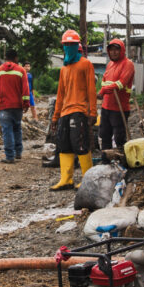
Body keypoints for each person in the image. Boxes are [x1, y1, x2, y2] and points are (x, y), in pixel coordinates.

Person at [49, 29, 98, 191]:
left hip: (80, 111)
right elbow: (60, 94)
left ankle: (87, 178)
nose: (68, 47)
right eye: (66, 44)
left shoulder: (86, 64)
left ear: (77, 45)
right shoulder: (64, 69)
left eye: (71, 44)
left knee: (81, 145)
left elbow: (91, 90)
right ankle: (66, 179)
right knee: (64, 145)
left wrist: (92, 113)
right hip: (64, 112)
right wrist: (55, 117)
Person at [0, 49, 30, 163]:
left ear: (5, 57)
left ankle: (9, 156)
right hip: (17, 107)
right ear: (16, 58)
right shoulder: (21, 70)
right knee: (17, 128)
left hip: (4, 107)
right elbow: (25, 89)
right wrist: (26, 103)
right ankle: (18, 152)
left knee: (7, 130)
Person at [98, 39, 135, 151]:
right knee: (104, 135)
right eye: (111, 50)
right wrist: (104, 89)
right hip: (106, 107)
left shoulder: (128, 64)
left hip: (119, 108)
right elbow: (104, 81)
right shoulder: (110, 64)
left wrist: (103, 91)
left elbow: (121, 84)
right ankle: (106, 161)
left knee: (119, 137)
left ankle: (120, 161)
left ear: (122, 50)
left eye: (116, 50)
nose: (113, 52)